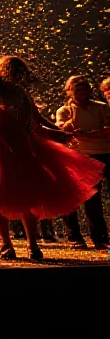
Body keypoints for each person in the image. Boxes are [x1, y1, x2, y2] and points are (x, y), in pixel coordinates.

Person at [0, 56, 105, 260]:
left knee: (28, 198)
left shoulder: (22, 95)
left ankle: (32, 244)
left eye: (20, 72)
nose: (18, 76)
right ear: (4, 72)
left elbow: (36, 122)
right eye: (14, 72)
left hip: (22, 146)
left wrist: (57, 131)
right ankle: (6, 243)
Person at [56, 75, 110, 250]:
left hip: (104, 153)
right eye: (77, 88)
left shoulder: (102, 107)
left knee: (95, 198)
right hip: (80, 156)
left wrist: (87, 134)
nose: (81, 92)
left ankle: (100, 237)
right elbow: (65, 131)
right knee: (81, 197)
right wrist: (75, 125)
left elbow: (107, 130)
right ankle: (75, 236)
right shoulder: (64, 110)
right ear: (69, 91)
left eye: (84, 87)